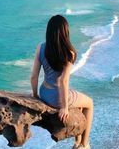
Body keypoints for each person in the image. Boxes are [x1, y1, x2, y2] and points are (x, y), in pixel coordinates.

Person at [30, 15, 93, 149]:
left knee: (79, 106)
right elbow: (63, 81)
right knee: (90, 103)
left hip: (44, 92)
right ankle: (84, 144)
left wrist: (35, 95)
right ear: (65, 32)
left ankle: (77, 142)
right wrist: (64, 107)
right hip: (58, 98)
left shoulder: (40, 47)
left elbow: (34, 76)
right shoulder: (69, 52)